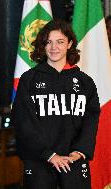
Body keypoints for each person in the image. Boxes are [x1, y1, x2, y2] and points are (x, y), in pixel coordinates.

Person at [11, 19, 100, 189]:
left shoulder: (85, 82)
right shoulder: (29, 80)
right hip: (39, 161)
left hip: (73, 161)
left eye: (60, 42)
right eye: (49, 42)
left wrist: (79, 151)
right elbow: (24, 122)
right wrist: (49, 155)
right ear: (42, 46)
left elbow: (91, 120)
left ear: (70, 44)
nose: (54, 47)